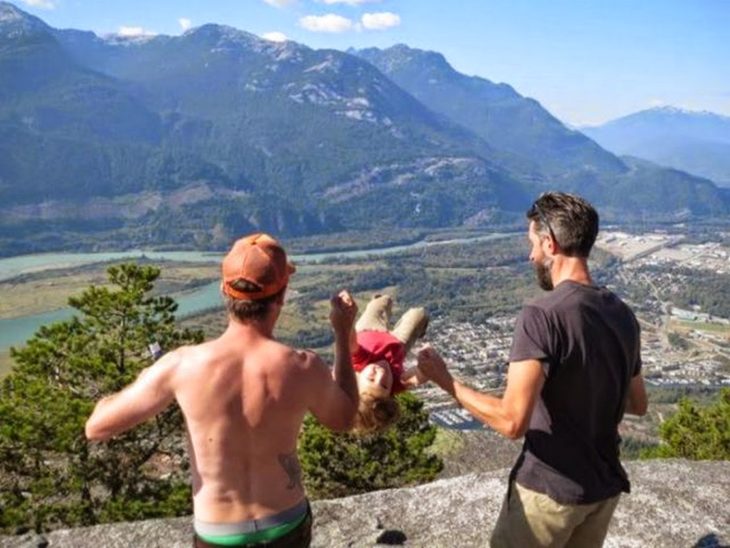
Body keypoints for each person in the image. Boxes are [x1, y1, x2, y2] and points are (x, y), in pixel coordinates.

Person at [85, 233, 359, 548]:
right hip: (286, 523)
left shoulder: (182, 365)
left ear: (223, 292)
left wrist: (146, 376)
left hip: (218, 534)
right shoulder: (302, 366)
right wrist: (341, 332)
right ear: (282, 296)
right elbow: (345, 418)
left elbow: (97, 427)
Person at [417, 192, 648, 548]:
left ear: (550, 242)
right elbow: (638, 403)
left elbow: (512, 422)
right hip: (602, 489)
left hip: (549, 493)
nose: (531, 256)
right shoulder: (622, 313)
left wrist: (447, 383)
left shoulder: (542, 316)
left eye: (533, 244)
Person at [348, 294, 429, 434]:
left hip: (367, 329)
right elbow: (417, 377)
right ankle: (420, 330)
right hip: (397, 343)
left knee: (382, 302)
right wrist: (426, 366)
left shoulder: (359, 363)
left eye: (371, 379)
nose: (381, 374)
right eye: (385, 385)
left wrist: (347, 319)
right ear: (390, 394)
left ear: (358, 378)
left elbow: (349, 342)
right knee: (419, 315)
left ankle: (379, 299)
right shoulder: (396, 385)